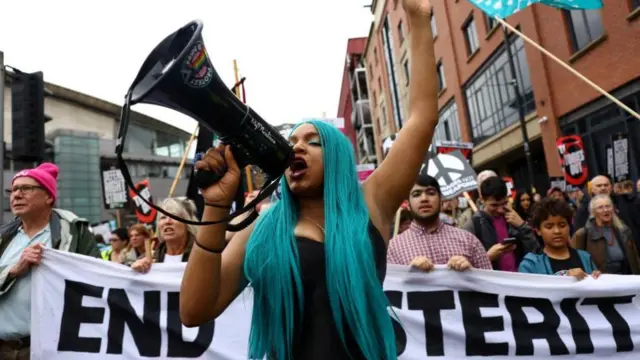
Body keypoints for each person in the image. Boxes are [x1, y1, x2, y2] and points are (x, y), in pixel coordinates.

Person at [179, 1, 439, 358]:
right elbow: (194, 311)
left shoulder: (371, 203)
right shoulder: (262, 229)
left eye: (313, 142)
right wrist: (215, 205)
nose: (296, 148)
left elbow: (422, 118)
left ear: (338, 156)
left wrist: (418, 19)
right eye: (291, 144)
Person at [0, 163, 100, 359]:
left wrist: (134, 271)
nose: (16, 195)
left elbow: (99, 278)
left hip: (49, 348)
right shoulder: (4, 237)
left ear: (48, 196)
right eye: (13, 190)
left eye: (26, 188)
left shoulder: (74, 233)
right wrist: (13, 271)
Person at [387, 174, 491, 271]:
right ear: (408, 204)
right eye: (416, 194)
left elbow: (489, 284)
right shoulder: (394, 248)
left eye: (431, 193)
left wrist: (471, 271)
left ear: (441, 200)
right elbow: (388, 287)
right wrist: (408, 274)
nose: (424, 199)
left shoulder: (469, 241)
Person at [463, 176, 538, 271]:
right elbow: (464, 264)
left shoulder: (514, 218)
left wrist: (522, 226)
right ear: (482, 199)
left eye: (504, 203)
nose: (500, 210)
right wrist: (487, 257)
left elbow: (535, 250)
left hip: (520, 278)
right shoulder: (473, 225)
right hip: (493, 282)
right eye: (494, 205)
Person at [519, 198, 599, 279]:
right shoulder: (530, 265)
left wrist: (598, 279)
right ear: (538, 230)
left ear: (569, 226)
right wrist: (566, 279)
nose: (557, 231)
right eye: (549, 227)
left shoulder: (585, 258)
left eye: (562, 225)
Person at [572, 194, 640, 275]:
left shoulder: (624, 231)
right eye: (600, 207)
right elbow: (575, 261)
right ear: (593, 211)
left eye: (608, 206)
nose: (605, 210)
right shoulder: (583, 234)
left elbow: (635, 259)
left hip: (625, 280)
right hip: (600, 283)